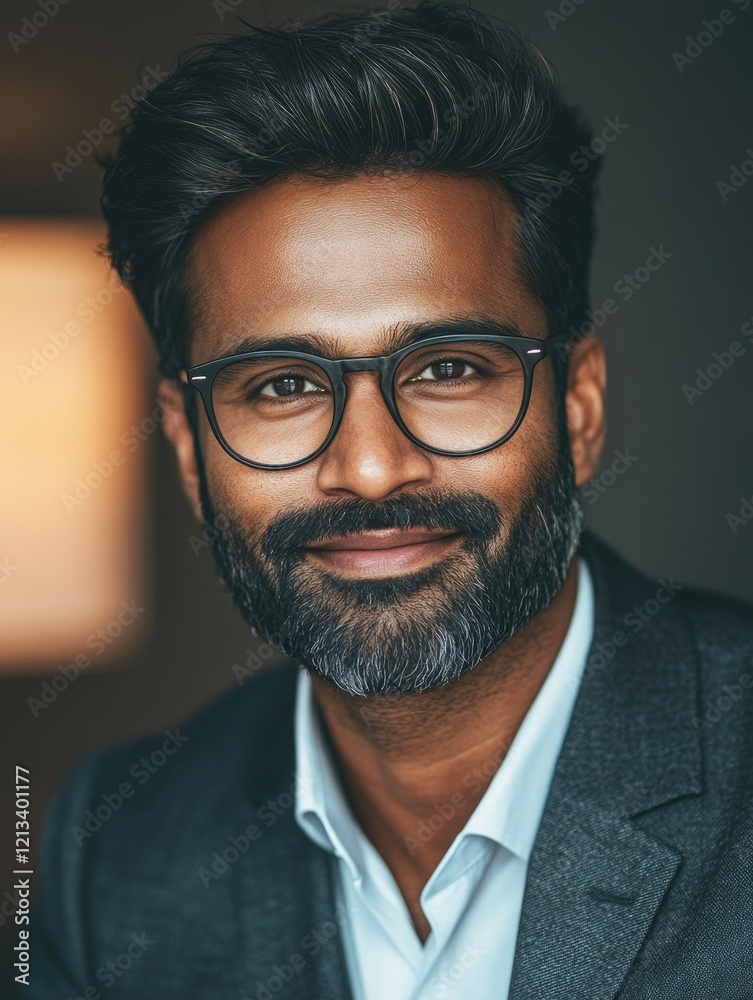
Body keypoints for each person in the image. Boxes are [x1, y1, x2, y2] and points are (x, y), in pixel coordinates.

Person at [25, 3, 753, 998]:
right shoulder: (111, 852)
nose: (370, 470)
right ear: (189, 444)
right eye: (281, 385)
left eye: (448, 367)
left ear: (579, 405)